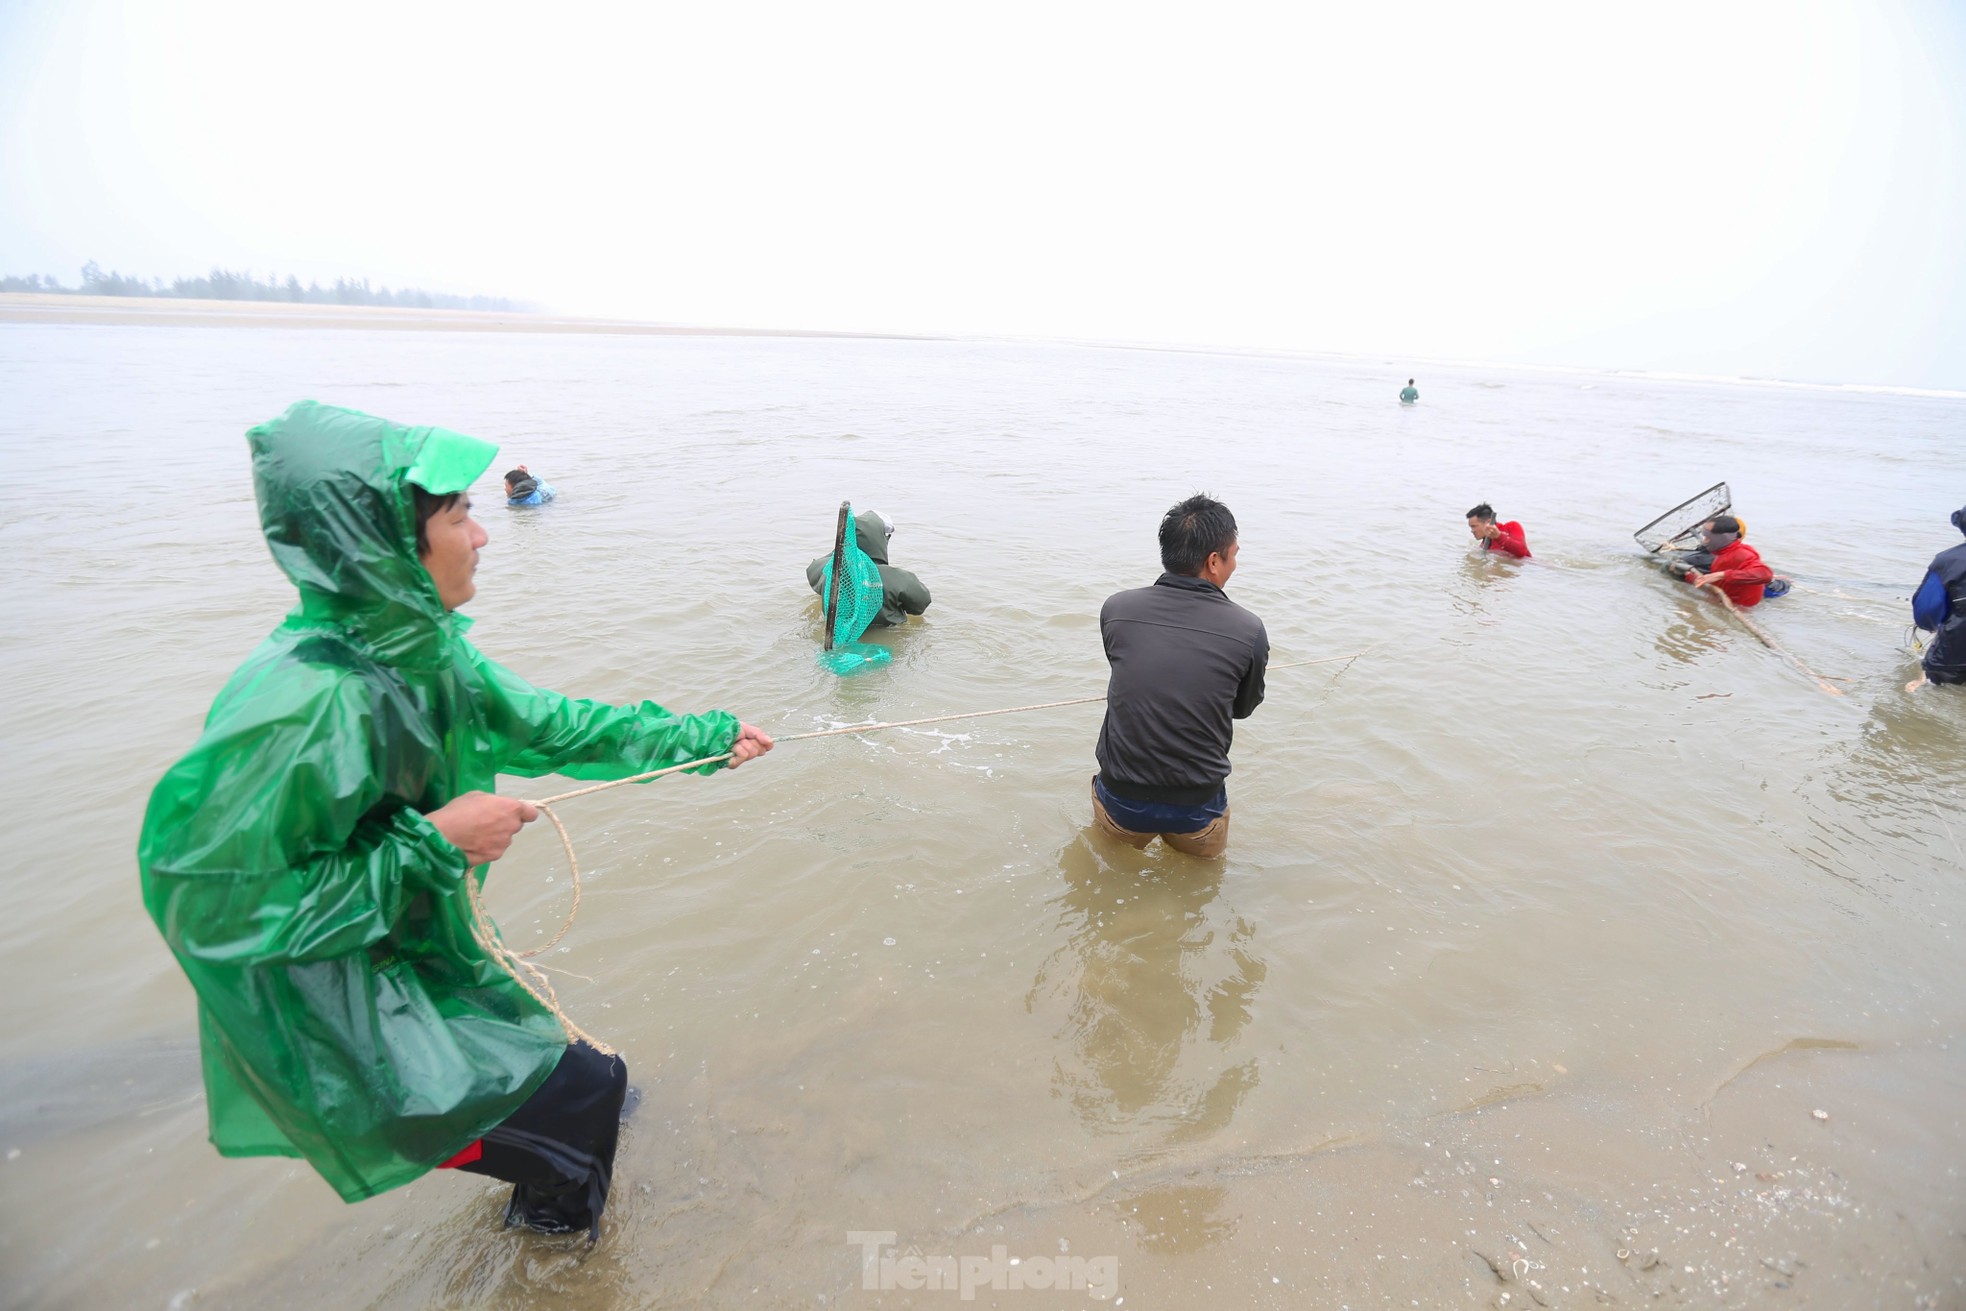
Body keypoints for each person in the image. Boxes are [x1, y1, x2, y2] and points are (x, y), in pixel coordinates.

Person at [137, 401, 773, 1241]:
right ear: (385, 542)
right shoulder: (309, 701)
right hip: (337, 1011)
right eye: (460, 514)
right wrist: (433, 842)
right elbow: (216, 907)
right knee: (584, 1109)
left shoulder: (424, 652)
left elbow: (556, 725)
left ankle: (543, 1217)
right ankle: (553, 1269)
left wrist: (705, 738)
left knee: (600, 1082)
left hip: (419, 960)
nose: (481, 536)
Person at [1091, 494, 1268, 858]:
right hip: (1196, 805)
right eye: (1234, 554)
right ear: (1214, 561)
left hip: (1122, 798)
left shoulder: (1117, 609)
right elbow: (1242, 708)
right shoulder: (1248, 630)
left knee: (1110, 869)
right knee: (1200, 890)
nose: (1236, 563)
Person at [804, 509, 931, 626]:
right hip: (886, 635)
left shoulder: (830, 570)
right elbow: (920, 605)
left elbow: (812, 570)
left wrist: (841, 550)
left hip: (840, 635)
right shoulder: (900, 578)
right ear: (880, 541)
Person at [1909, 504, 1966, 689]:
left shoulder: (1948, 562)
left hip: (1953, 660)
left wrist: (1933, 626)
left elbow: (1925, 613)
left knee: (1926, 687)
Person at [1675, 514, 1773, 607]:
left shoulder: (1742, 554)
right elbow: (1715, 583)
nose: (1704, 541)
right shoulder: (1722, 554)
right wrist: (1690, 577)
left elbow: (1765, 574)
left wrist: (1722, 575)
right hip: (1720, 600)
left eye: (1708, 538)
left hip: (1739, 608)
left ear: (1723, 538)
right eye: (1704, 536)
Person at [1466, 502, 1530, 559]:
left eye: (1474, 526)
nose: (1472, 531)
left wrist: (1498, 536)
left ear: (1489, 522)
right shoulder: (1485, 544)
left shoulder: (1511, 526)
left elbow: (1521, 552)